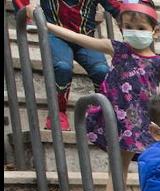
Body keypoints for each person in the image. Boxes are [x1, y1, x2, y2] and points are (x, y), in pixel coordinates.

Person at [42, 1, 160, 191]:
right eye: (128, 27)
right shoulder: (118, 49)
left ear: (155, 31)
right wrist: (47, 25)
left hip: (138, 120)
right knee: (120, 158)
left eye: (141, 28)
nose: (134, 32)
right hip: (114, 114)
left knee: (121, 158)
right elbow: (80, 38)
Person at [16, 0, 121, 130]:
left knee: (102, 70)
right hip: (56, 36)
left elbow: (119, 9)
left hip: (85, 38)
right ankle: (58, 112)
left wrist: (133, 23)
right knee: (62, 67)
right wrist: (27, 9)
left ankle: (101, 116)